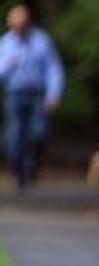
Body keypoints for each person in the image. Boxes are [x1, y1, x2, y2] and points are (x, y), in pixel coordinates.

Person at [0, 4, 63, 190]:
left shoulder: (41, 41)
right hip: (14, 94)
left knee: (37, 133)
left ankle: (31, 168)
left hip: (37, 95)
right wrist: (8, 64)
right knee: (14, 135)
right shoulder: (6, 43)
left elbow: (54, 69)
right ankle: (18, 172)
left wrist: (53, 94)